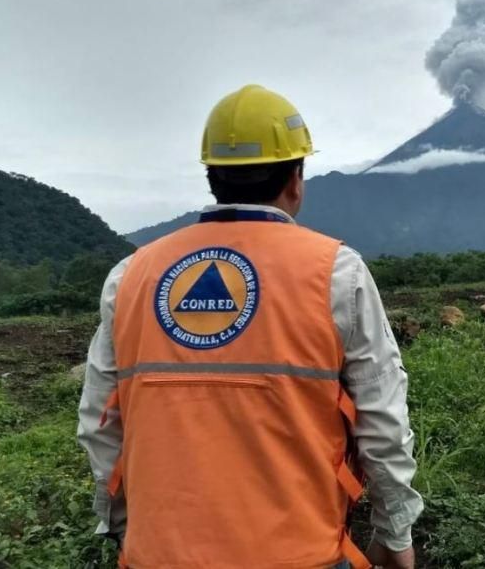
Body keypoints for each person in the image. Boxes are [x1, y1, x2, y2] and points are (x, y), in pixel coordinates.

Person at [77, 84, 423, 568]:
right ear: (296, 178)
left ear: (211, 176)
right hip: (301, 555)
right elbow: (382, 420)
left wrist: (121, 526)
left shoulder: (131, 276)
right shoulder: (335, 273)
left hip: (159, 555)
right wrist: (395, 531)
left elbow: (100, 421)